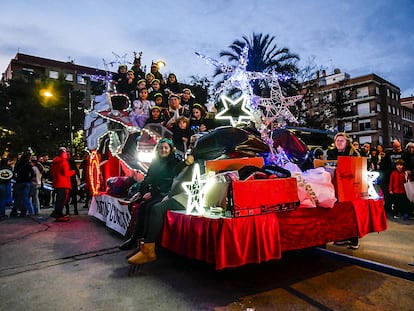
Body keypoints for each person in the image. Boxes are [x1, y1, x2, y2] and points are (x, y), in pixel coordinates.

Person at [119, 138, 184, 252]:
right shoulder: (156, 161)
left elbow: (169, 181)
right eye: (161, 148)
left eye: (166, 148)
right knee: (141, 206)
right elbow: (149, 177)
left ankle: (145, 242)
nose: (163, 150)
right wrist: (141, 191)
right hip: (154, 191)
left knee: (150, 207)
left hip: (165, 193)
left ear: (171, 149)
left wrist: (152, 193)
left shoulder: (175, 161)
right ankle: (135, 238)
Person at [327, 132, 361, 249]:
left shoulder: (354, 153)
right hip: (336, 186)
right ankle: (341, 236)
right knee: (339, 213)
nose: (339, 142)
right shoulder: (331, 153)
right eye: (337, 140)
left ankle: (354, 238)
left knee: (350, 213)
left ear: (347, 142)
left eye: (342, 140)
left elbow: (357, 169)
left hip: (350, 187)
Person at [50, 147, 75, 222]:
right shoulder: (64, 162)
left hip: (57, 182)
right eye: (65, 153)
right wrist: (72, 172)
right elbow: (66, 173)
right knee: (62, 199)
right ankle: (59, 213)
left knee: (59, 199)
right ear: (62, 154)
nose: (66, 154)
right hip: (63, 183)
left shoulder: (54, 162)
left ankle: (57, 212)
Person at [379, 139, 404, 215]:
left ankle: (401, 210)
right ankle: (389, 209)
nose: (398, 148)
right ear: (393, 147)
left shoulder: (404, 154)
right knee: (389, 195)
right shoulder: (388, 154)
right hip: (390, 176)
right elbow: (383, 165)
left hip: (401, 176)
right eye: (396, 147)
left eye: (399, 146)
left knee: (401, 195)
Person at [10, 153, 35, 217]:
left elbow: (14, 173)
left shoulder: (18, 165)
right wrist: (29, 178)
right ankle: (23, 212)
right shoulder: (28, 165)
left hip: (19, 182)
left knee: (17, 198)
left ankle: (14, 211)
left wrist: (16, 178)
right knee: (25, 198)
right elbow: (33, 174)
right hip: (26, 182)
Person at [64, 151, 80, 215]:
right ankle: (67, 210)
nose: (68, 156)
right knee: (67, 197)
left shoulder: (72, 162)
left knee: (74, 197)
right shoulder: (65, 162)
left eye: (68, 155)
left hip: (72, 181)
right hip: (67, 181)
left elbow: (76, 170)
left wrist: (78, 177)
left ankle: (75, 209)